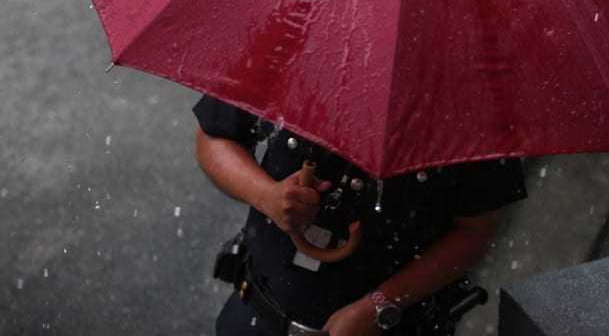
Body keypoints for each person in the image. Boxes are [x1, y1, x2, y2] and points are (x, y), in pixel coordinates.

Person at [194, 94, 527, 336]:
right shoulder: (294, 37)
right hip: (256, 314)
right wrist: (265, 196)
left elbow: (476, 228)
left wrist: (379, 306)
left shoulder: (473, 101)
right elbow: (215, 137)